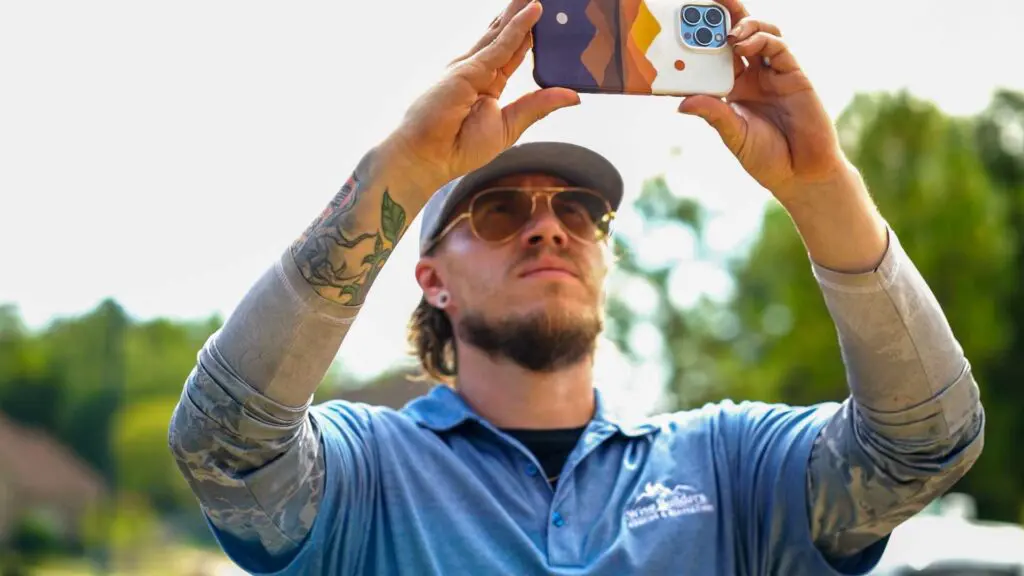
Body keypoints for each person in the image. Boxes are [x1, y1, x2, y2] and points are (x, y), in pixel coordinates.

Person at [168, 0, 985, 573]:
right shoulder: (366, 476)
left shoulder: (731, 468)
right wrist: (405, 170)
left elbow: (925, 448)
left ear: (604, 255)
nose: (548, 226)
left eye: (580, 210)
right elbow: (224, 445)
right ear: (432, 281)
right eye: (497, 212)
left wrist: (820, 187)